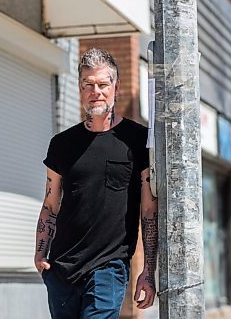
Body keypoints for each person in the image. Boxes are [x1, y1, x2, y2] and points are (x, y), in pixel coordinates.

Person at [34, 48, 158, 319]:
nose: (96, 91)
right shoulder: (62, 144)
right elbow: (50, 204)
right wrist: (40, 253)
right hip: (61, 270)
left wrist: (148, 270)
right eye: (88, 84)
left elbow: (149, 211)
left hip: (108, 268)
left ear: (116, 86)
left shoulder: (138, 141)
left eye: (103, 84)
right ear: (80, 88)